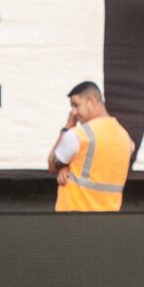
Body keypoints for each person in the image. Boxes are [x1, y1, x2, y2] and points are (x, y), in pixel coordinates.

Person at [48, 81, 135, 212]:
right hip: (108, 222)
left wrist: (67, 127)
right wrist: (67, 167)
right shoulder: (127, 140)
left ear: (92, 100)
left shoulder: (78, 135)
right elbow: (98, 168)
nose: (74, 112)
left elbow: (52, 164)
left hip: (73, 222)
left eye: (76, 105)